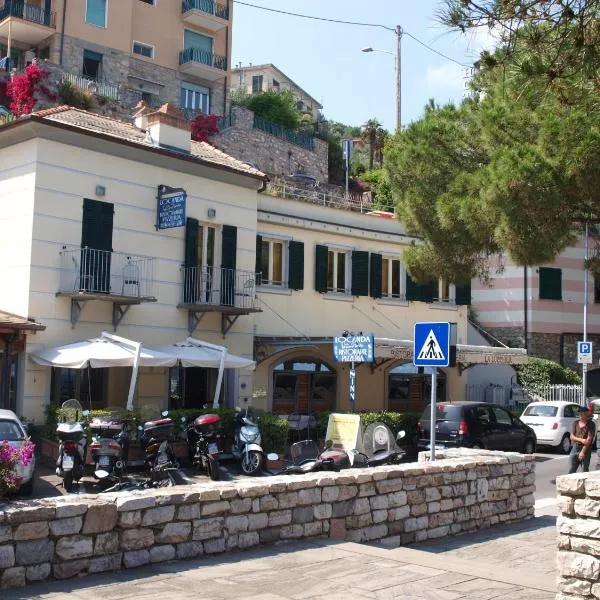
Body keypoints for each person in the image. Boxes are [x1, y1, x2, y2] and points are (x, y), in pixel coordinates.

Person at [569, 405, 596, 474]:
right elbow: (571, 436)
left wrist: (583, 452)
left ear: (587, 414)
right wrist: (581, 440)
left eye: (582, 413)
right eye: (579, 413)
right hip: (575, 448)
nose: (580, 414)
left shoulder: (591, 424)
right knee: (572, 470)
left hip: (586, 449)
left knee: (585, 471)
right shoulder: (575, 423)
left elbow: (589, 439)